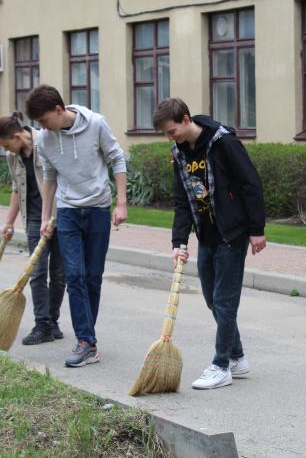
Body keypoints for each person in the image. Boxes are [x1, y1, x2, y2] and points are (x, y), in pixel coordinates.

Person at [152, 97, 267, 390]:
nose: (171, 137)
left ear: (186, 119)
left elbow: (250, 183)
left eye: (172, 131)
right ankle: (237, 358)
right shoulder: (179, 153)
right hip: (206, 233)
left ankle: (221, 365)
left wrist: (256, 229)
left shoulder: (222, 142)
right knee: (211, 299)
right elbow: (181, 200)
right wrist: (179, 241)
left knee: (224, 301)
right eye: (166, 134)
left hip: (233, 232)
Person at [25, 85, 127, 368]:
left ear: (59, 110)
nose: (42, 128)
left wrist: (121, 203)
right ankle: (86, 341)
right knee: (74, 276)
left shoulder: (95, 124)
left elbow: (117, 158)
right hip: (67, 211)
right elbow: (49, 176)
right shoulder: (45, 139)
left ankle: (87, 339)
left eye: (44, 121)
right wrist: (46, 216)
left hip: (97, 209)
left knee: (93, 276)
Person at [0, 111, 66, 345]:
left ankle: (52, 322)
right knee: (36, 272)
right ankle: (41, 324)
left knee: (59, 274)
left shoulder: (47, 142)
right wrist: (8, 222)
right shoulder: (12, 157)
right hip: (34, 219)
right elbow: (17, 189)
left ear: (16, 136)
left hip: (59, 215)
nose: (6, 150)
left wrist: (54, 216)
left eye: (7, 145)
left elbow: (60, 179)